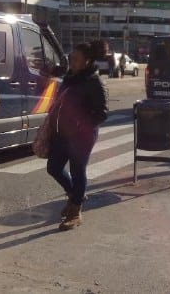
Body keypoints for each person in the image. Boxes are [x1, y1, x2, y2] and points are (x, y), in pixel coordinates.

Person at [46, 40, 109, 230]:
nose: (72, 62)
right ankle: (75, 195)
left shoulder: (94, 81)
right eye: (71, 58)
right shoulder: (70, 77)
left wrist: (81, 124)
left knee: (77, 170)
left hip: (82, 135)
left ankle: (75, 211)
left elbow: (103, 113)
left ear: (87, 61)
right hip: (62, 132)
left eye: (76, 59)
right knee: (53, 167)